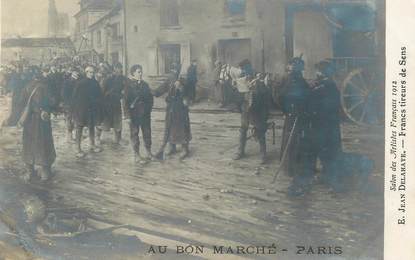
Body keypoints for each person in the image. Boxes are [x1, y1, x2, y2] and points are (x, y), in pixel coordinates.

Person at [278, 55, 313, 196]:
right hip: (295, 116)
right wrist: (288, 110)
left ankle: (295, 167)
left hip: (300, 115)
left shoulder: (298, 78)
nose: (301, 69)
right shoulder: (291, 79)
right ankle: (293, 168)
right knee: (295, 142)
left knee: (299, 141)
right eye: (299, 67)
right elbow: (281, 96)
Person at [309, 59, 342, 190]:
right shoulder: (330, 84)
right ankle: (328, 174)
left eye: (317, 71)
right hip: (330, 123)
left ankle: (328, 177)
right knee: (329, 148)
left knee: (325, 148)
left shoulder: (325, 86)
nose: (316, 73)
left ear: (322, 72)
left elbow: (316, 102)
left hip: (324, 123)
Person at [20, 67, 58, 181]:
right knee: (44, 144)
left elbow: (20, 102)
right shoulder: (45, 87)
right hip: (42, 121)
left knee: (28, 143)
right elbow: (52, 102)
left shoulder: (26, 87)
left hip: (29, 121)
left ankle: (30, 171)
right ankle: (45, 172)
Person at [233, 60, 272, 164]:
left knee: (260, 130)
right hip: (245, 109)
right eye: (243, 70)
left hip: (256, 110)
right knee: (243, 129)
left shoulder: (259, 79)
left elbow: (266, 96)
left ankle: (263, 154)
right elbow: (238, 97)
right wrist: (236, 89)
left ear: (250, 67)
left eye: (246, 69)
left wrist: (256, 89)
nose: (244, 72)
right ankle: (240, 151)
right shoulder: (241, 80)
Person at [154, 74, 192, 160]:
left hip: (181, 108)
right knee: (170, 127)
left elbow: (189, 91)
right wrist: (149, 91)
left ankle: (185, 148)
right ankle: (172, 147)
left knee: (182, 127)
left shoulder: (184, 79)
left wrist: (181, 87)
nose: (174, 69)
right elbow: (158, 91)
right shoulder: (169, 79)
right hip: (171, 107)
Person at [124, 64, 154, 162]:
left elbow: (150, 99)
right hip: (134, 114)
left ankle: (149, 152)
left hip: (145, 114)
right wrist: (127, 116)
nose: (141, 74)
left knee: (147, 133)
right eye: (138, 72)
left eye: (141, 72)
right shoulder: (128, 86)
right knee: (134, 134)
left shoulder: (145, 85)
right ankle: (137, 155)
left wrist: (148, 109)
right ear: (133, 73)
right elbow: (125, 102)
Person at [71, 66, 103, 157]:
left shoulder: (95, 83)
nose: (92, 74)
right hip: (81, 109)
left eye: (93, 72)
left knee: (91, 127)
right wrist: (75, 110)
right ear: (86, 72)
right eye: (90, 72)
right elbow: (74, 97)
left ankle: (92, 145)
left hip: (92, 109)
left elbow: (99, 96)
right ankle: (78, 149)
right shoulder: (80, 83)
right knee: (79, 128)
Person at [97, 63, 126, 145]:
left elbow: (125, 89)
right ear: (114, 69)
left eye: (121, 68)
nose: (120, 70)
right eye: (118, 68)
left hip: (116, 103)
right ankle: (97, 138)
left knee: (118, 122)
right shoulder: (107, 79)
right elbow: (101, 91)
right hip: (107, 103)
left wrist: (122, 94)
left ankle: (118, 139)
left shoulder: (122, 79)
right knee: (103, 121)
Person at [61, 69, 80, 142]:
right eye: (75, 75)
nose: (76, 77)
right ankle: (69, 137)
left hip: (74, 104)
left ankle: (71, 136)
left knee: (72, 120)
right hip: (69, 105)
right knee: (69, 120)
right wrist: (68, 102)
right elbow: (63, 94)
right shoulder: (67, 82)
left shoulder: (76, 82)